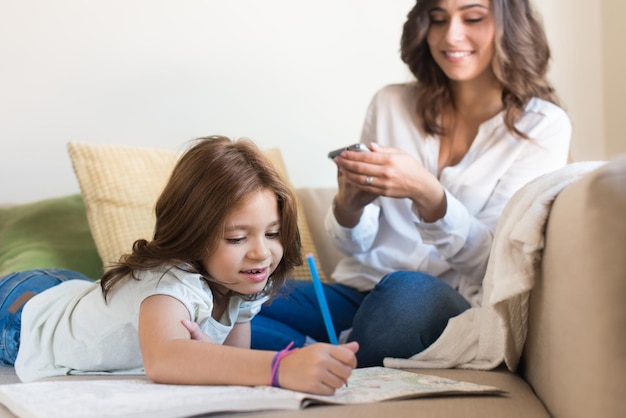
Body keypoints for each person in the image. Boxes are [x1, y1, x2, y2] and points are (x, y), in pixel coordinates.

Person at [250, 0, 572, 367]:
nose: (451, 34)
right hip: (358, 293)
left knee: (404, 294)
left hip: (439, 303)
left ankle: (310, 354)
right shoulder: (390, 104)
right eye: (437, 19)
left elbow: (495, 265)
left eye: (473, 17)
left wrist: (429, 194)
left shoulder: (543, 127)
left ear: (510, 26)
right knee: (238, 299)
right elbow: (353, 247)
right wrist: (349, 205)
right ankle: (327, 356)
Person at [0, 136, 358, 395]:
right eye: (237, 238)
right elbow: (164, 358)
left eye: (273, 233)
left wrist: (209, 358)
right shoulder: (170, 281)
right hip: (24, 312)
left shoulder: (244, 283)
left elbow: (234, 366)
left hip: (75, 294)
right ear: (193, 234)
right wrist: (279, 367)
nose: (261, 253)